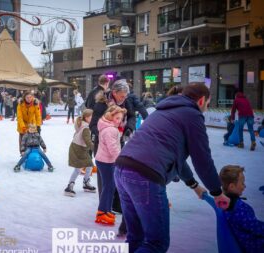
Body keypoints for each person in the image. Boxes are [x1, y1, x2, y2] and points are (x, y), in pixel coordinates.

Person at [114, 83, 230, 252]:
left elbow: (177, 160)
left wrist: (194, 185)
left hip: (122, 168)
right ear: (202, 100)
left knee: (136, 237)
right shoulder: (192, 115)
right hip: (145, 175)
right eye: (208, 103)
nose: (206, 107)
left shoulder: (163, 111)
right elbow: (202, 159)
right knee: (156, 243)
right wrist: (217, 192)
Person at [217, 165, 264, 252]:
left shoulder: (222, 203)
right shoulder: (239, 209)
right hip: (254, 246)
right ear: (232, 187)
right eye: (242, 183)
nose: (244, 186)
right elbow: (256, 227)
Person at [94, 105, 126, 226]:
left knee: (110, 186)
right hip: (106, 161)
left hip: (106, 160)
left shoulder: (108, 126)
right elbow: (113, 148)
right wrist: (120, 160)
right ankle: (102, 212)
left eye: (120, 119)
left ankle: (106, 210)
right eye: (117, 118)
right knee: (109, 186)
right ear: (110, 116)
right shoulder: (110, 130)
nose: (119, 121)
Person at [64, 109, 96, 197]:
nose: (93, 118)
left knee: (89, 165)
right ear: (86, 117)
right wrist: (96, 148)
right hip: (78, 149)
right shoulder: (85, 128)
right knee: (78, 168)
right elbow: (88, 141)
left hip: (79, 148)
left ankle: (86, 183)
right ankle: (69, 186)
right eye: (91, 117)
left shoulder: (82, 123)